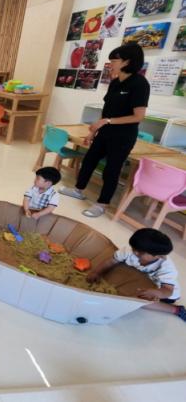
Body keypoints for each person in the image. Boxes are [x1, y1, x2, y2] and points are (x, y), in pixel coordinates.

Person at [60, 43, 150, 218]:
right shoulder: (115, 82)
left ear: (126, 62)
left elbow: (138, 116)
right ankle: (78, 190)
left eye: (114, 60)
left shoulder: (140, 84)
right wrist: (93, 131)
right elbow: (106, 109)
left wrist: (107, 121)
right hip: (105, 132)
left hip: (123, 136)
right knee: (89, 160)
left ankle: (102, 204)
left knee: (111, 170)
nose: (110, 64)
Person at [87, 228, 185, 322]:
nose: (135, 252)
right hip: (143, 283)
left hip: (164, 293)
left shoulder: (166, 267)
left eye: (140, 253)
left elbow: (168, 290)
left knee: (139, 302)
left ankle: (176, 310)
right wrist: (96, 272)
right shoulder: (128, 252)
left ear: (159, 256)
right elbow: (110, 261)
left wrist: (156, 293)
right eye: (134, 248)